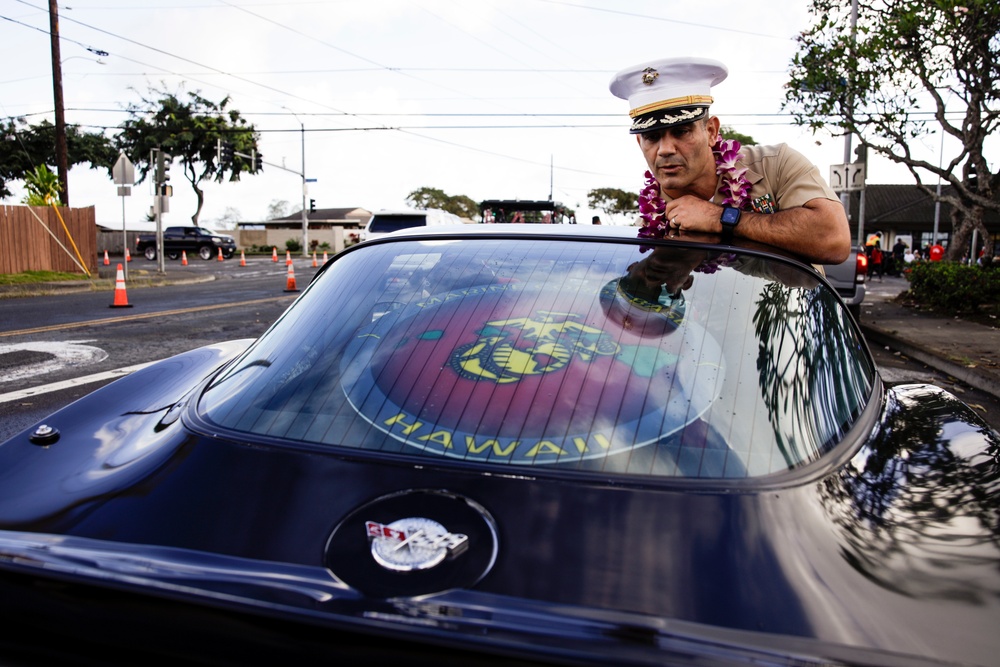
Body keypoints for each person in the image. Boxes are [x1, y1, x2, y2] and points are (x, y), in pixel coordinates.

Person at [609, 57, 850, 266]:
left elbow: (834, 240)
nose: (665, 150)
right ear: (640, 144)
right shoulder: (649, 223)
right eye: (652, 137)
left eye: (681, 132)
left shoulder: (775, 165)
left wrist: (721, 218)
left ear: (711, 132)